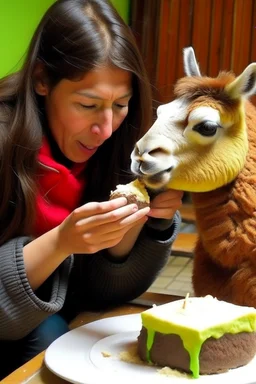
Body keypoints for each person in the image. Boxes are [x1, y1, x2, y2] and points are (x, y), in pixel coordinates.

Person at [0, 0, 183, 379]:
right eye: (87, 104)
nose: (105, 128)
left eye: (121, 104)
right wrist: (60, 242)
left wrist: (139, 230)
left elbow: (103, 297)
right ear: (41, 80)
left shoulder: (127, 142)